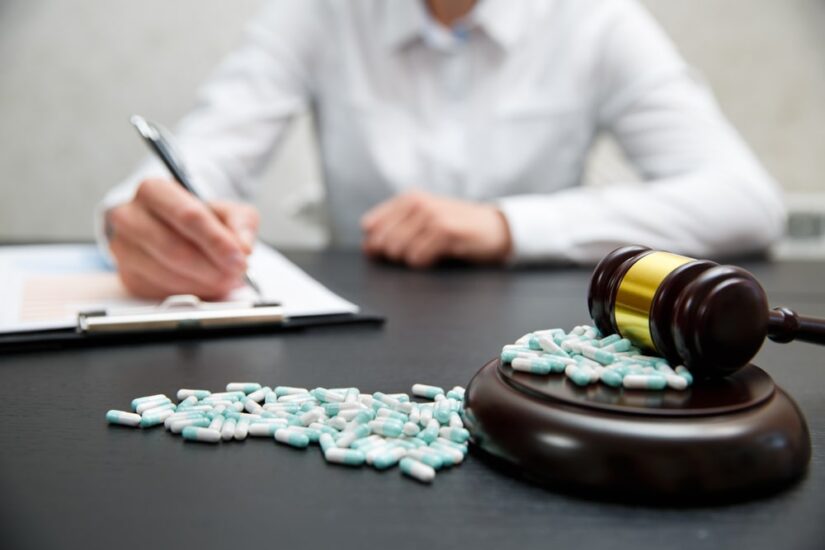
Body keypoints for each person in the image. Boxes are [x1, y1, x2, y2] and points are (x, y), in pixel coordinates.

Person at [99, 0, 785, 299]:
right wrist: (145, 224)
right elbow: (203, 153)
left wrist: (507, 224)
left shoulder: (597, 19)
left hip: (537, 344)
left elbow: (745, 203)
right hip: (353, 349)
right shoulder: (321, 10)